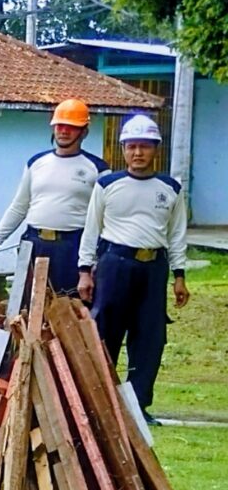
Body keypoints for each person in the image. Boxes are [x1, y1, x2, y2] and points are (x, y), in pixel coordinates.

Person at [78, 113, 190, 419]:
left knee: (150, 336)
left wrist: (180, 276)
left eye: (145, 146)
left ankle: (138, 406)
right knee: (106, 332)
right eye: (131, 146)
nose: (138, 153)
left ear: (156, 149)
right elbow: (91, 229)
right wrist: (85, 271)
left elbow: (177, 234)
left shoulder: (171, 188)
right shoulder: (107, 184)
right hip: (116, 263)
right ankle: (100, 402)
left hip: (153, 268)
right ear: (123, 149)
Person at [0, 98, 105, 295]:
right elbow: (19, 206)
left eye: (71, 127)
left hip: (72, 248)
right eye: (59, 126)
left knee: (68, 311)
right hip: (34, 243)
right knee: (27, 308)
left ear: (84, 131)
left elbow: (103, 221)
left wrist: (93, 260)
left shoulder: (98, 169)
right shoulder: (36, 163)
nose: (63, 131)